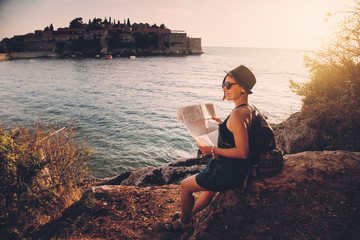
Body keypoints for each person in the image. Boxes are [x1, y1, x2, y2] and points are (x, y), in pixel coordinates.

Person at [164, 65, 257, 231]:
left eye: (229, 85)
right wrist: (223, 126)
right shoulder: (248, 109)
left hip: (229, 172)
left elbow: (243, 152)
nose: (224, 88)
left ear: (243, 88)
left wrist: (212, 150)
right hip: (234, 169)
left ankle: (183, 223)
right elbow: (239, 133)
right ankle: (187, 214)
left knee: (185, 186)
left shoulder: (237, 114)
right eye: (224, 84)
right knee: (208, 191)